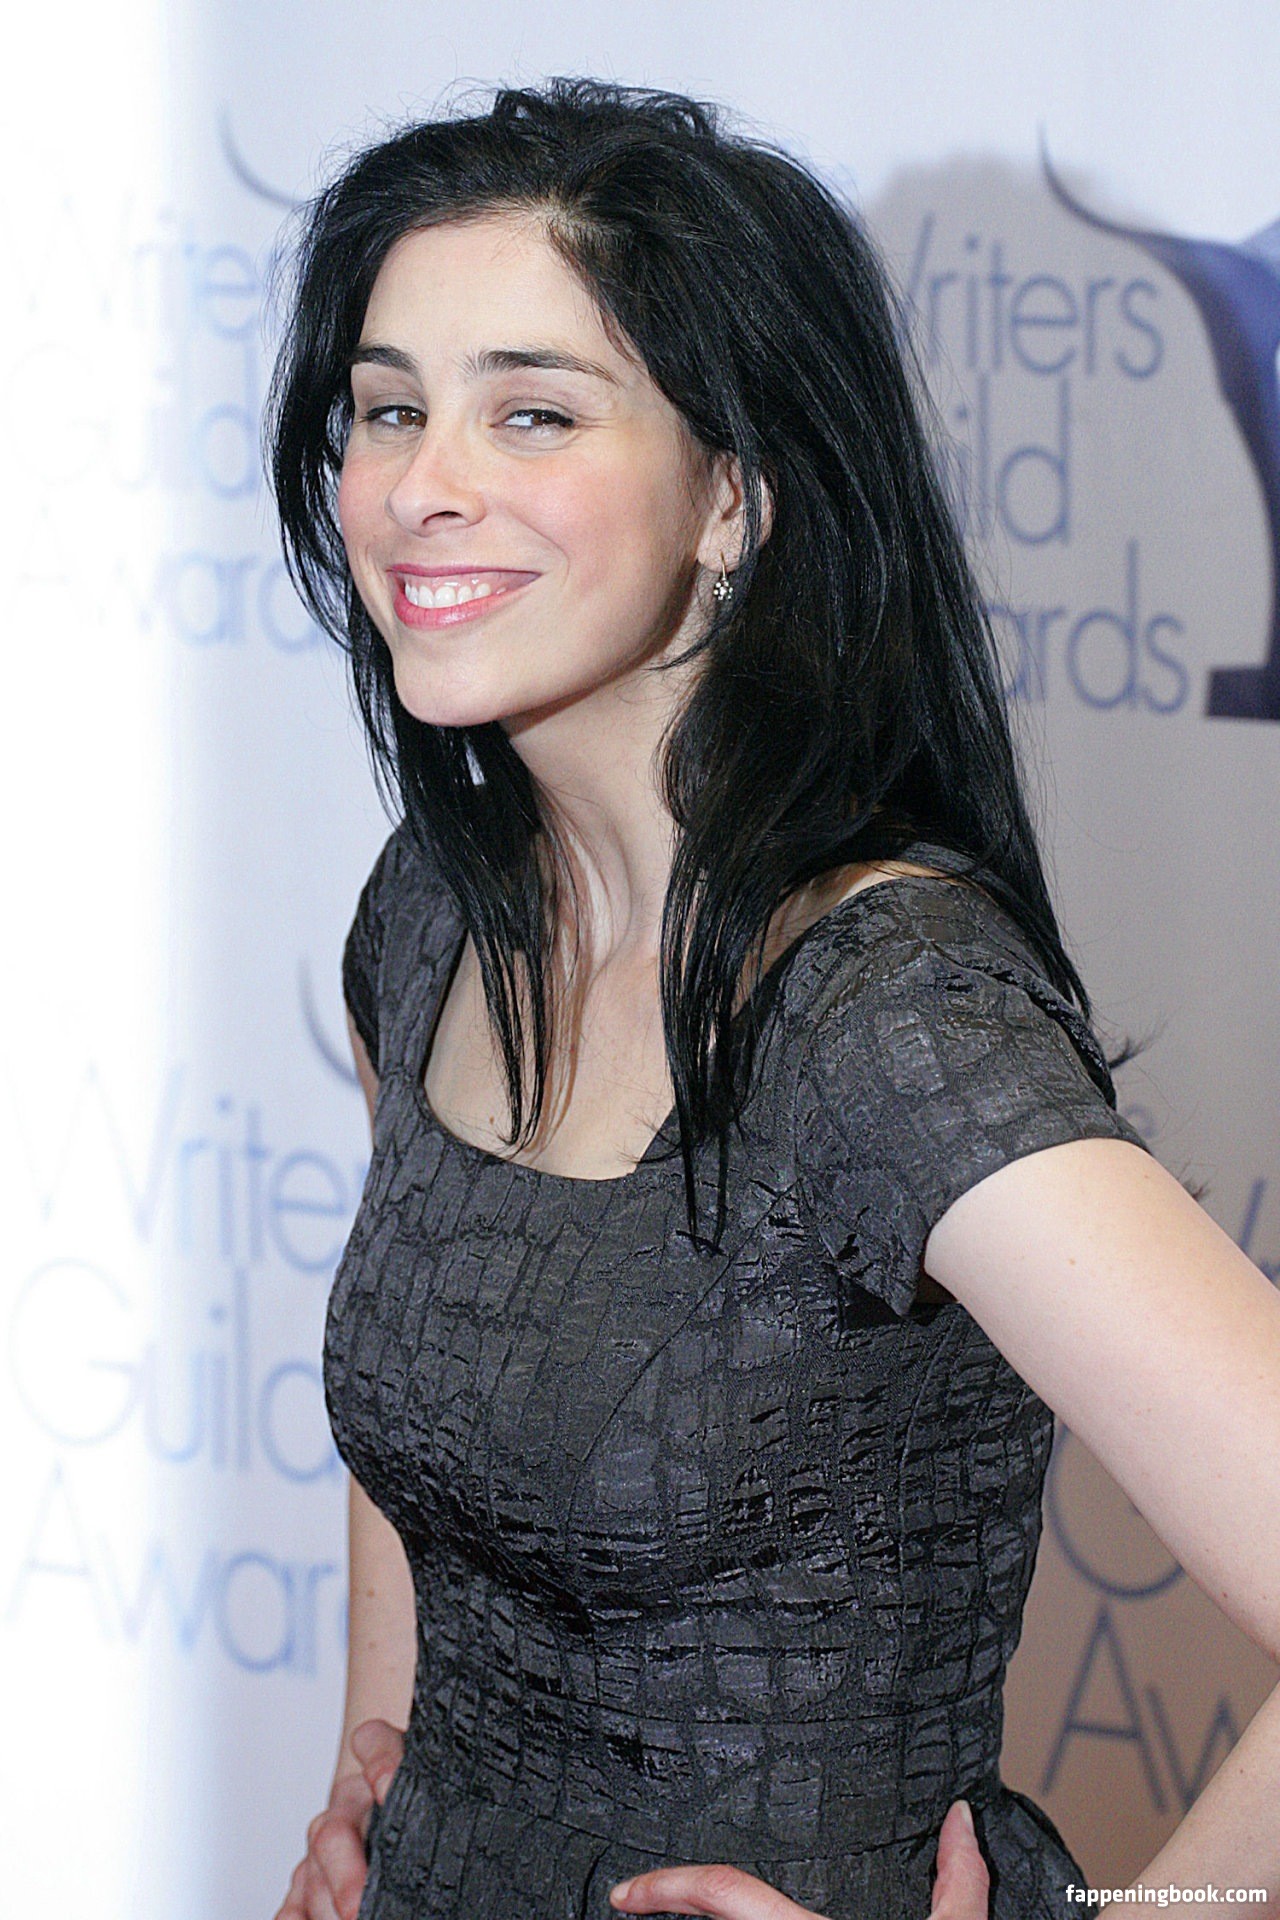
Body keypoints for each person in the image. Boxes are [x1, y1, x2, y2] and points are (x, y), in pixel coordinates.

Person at [265, 78, 1280, 1920]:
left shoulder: (881, 1014)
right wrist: (371, 1771)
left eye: (532, 411)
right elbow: (434, 1430)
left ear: (731, 498)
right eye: (391, 406)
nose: (421, 484)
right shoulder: (431, 917)